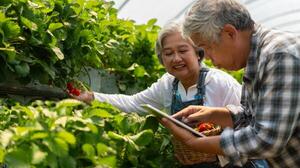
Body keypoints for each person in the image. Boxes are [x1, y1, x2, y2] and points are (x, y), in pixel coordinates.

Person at [70, 20, 242, 167]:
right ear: (162, 59)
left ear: (198, 54)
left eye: (183, 51)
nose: (176, 58)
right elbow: (133, 103)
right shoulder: (167, 84)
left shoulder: (221, 83)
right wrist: (92, 97)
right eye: (168, 53)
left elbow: (247, 125)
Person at [160, 0, 300, 168]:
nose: (208, 58)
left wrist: (196, 143)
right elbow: (254, 117)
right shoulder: (256, 58)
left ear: (229, 33)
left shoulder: (279, 55)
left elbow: (266, 140)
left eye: (207, 48)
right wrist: (214, 114)